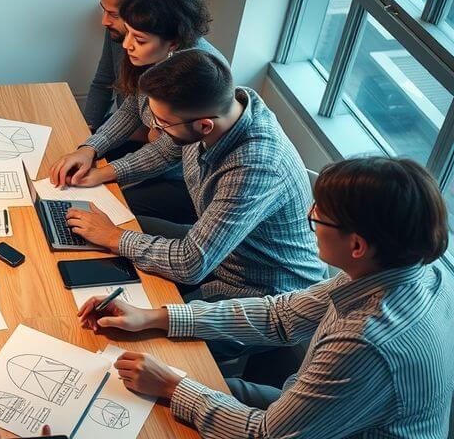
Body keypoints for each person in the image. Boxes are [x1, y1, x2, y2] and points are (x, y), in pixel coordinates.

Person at [78, 156, 454, 438]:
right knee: (151, 378)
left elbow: (265, 434)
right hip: (302, 412)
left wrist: (173, 386)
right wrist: (155, 316)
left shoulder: (367, 341)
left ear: (357, 245)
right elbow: (281, 316)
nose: (310, 215)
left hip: (295, 428)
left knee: (152, 409)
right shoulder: (410, 269)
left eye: (319, 217)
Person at [64, 49, 326, 301]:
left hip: (261, 288)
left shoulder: (254, 167)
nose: (155, 130)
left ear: (204, 126)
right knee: (103, 233)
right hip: (218, 252)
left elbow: (191, 263)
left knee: (148, 327)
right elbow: (167, 150)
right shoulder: (222, 108)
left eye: (162, 123)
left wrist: (112, 236)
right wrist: (102, 173)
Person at [54, 0, 223, 224]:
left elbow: (166, 151)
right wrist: (90, 148)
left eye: (139, 39)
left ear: (173, 42)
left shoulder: (192, 74)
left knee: (110, 211)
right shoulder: (154, 56)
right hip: (160, 161)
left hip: (187, 184)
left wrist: (104, 173)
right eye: (128, 34)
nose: (127, 45)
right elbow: (132, 107)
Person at [81, 0, 161, 132]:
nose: (104, 21)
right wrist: (88, 131)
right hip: (120, 129)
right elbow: (104, 83)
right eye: (103, 9)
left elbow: (164, 140)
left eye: (113, 14)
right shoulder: (117, 31)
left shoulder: (185, 61)